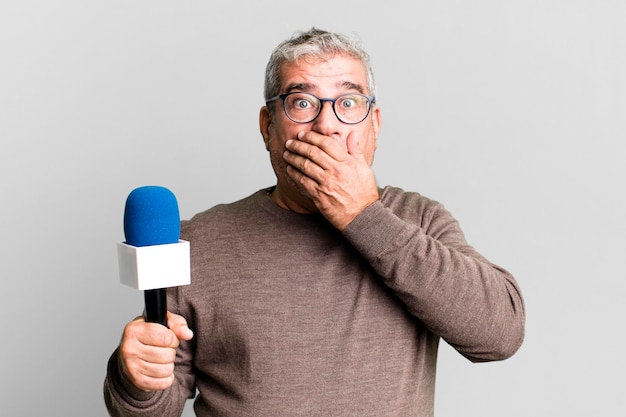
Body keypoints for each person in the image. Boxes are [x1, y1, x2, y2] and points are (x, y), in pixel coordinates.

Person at [104, 28, 525, 417]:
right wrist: (135, 378)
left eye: (348, 103)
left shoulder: (418, 219)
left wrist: (363, 214)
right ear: (268, 127)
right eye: (302, 102)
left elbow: (499, 335)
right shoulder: (199, 241)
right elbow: (151, 410)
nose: (326, 125)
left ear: (374, 126)